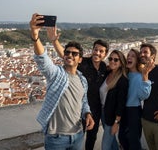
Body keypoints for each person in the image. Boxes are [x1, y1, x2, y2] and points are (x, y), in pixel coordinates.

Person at [30, 13, 95, 150]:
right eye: (67, 53)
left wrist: (88, 114)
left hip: (77, 134)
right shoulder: (56, 74)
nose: (69, 55)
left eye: (74, 53)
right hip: (56, 137)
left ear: (80, 59)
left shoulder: (82, 80)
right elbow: (42, 59)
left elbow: (83, 102)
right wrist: (35, 36)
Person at [47, 26, 109, 150]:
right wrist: (54, 41)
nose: (97, 53)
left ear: (105, 54)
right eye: (95, 49)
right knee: (79, 135)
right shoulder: (83, 62)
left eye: (101, 51)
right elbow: (67, 56)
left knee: (92, 136)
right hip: (79, 107)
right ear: (92, 50)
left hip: (95, 109)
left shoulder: (103, 67)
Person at [118, 48, 154, 150]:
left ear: (137, 60)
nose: (129, 57)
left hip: (134, 111)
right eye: (128, 55)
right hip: (123, 110)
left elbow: (143, 96)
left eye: (133, 56)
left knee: (134, 141)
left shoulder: (140, 76)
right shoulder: (124, 74)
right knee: (122, 138)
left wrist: (145, 77)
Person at [100, 50, 128, 150]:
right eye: (110, 59)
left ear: (121, 63)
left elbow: (121, 104)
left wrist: (116, 123)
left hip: (112, 118)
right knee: (112, 143)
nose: (112, 61)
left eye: (116, 59)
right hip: (103, 113)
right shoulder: (107, 73)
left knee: (105, 146)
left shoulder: (122, 80)